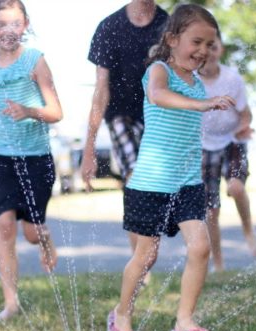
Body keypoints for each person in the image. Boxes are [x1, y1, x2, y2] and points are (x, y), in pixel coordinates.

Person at [106, 4, 235, 331]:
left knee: (201, 246)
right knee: (146, 257)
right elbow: (158, 96)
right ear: (172, 39)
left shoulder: (198, 82)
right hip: (150, 184)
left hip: (187, 183)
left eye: (210, 45)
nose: (203, 51)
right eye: (197, 42)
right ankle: (121, 314)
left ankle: (184, 321)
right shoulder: (159, 71)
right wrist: (202, 106)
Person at [0, 0, 63, 322]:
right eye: (1, 24)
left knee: (31, 233)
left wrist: (29, 111)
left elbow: (56, 112)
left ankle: (44, 240)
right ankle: (11, 303)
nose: (8, 30)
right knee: (4, 225)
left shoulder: (36, 61)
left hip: (36, 158)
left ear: (25, 25)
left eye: (15, 23)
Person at [81, 0, 169, 284]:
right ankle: (140, 263)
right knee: (134, 179)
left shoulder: (168, 24)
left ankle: (145, 255)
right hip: (121, 115)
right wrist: (89, 146)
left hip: (158, 114)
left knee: (155, 188)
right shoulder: (109, 28)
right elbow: (101, 89)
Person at [199, 38, 256, 272]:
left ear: (220, 50)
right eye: (205, 47)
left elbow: (246, 114)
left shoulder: (231, 79)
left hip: (232, 141)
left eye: (213, 47)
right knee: (210, 210)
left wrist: (243, 128)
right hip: (204, 146)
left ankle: (248, 230)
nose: (209, 53)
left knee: (236, 187)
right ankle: (218, 263)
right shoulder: (192, 81)